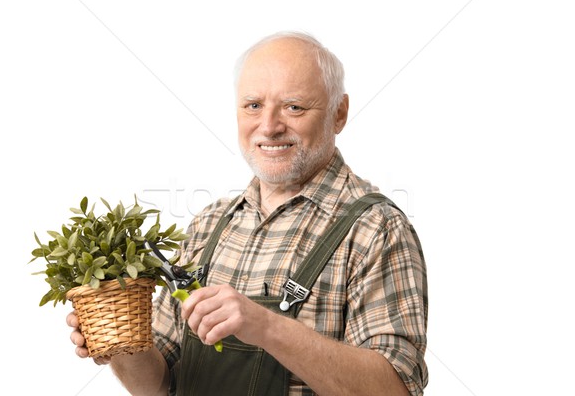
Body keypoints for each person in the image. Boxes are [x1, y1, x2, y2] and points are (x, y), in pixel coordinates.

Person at [67, 31, 428, 396]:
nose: (269, 126)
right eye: (253, 105)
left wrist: (266, 327)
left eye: (294, 107)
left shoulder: (375, 228)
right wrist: (120, 343)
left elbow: (395, 390)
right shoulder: (208, 226)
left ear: (339, 113)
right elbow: (160, 386)